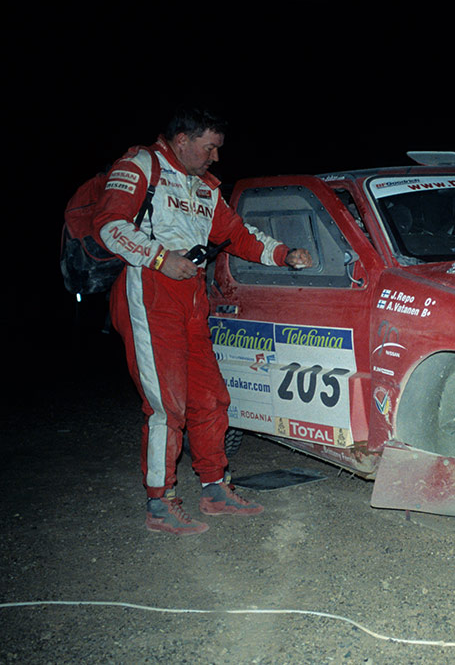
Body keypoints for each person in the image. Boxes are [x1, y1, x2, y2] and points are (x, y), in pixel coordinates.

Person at [94, 107, 313, 535]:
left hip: (192, 293)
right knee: (166, 406)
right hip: (149, 289)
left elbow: (236, 234)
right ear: (182, 140)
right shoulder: (141, 165)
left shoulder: (205, 187)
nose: (216, 158)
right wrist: (159, 257)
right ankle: (160, 503)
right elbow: (109, 225)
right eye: (210, 147)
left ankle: (215, 490)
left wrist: (284, 254)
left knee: (211, 398)